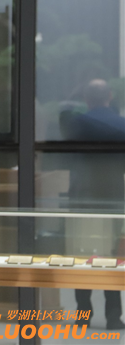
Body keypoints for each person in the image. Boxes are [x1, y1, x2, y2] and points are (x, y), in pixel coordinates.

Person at [64, 79, 125, 330]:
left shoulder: (76, 124)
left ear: (86, 99)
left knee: (82, 254)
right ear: (110, 96)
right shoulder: (121, 124)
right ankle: (113, 316)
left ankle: (83, 314)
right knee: (112, 255)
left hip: (83, 196)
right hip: (113, 197)